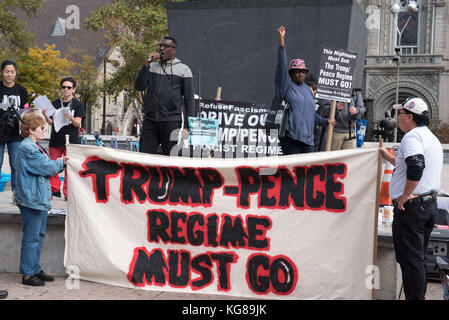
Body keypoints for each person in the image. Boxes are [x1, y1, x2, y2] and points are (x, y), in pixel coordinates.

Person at [380, 97, 443, 300]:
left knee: (411, 263)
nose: (397, 117)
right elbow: (408, 166)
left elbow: (416, 167)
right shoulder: (430, 137)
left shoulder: (412, 138)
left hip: (412, 208)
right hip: (428, 205)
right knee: (417, 260)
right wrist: (387, 156)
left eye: (400, 113)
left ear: (409, 117)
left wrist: (404, 197)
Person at [15, 111, 67, 286]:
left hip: (39, 198)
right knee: (32, 237)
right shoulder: (27, 148)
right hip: (32, 199)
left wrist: (59, 162)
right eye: (41, 128)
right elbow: (45, 167)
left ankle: (35, 268)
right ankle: (28, 274)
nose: (44, 130)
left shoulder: (35, 146)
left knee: (39, 235)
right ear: (31, 130)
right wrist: (62, 162)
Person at [275, 26, 332, 155]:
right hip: (291, 138)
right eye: (296, 71)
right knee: (293, 171)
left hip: (308, 140)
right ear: (290, 73)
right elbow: (281, 65)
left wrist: (325, 121)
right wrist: (281, 40)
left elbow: (311, 115)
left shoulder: (307, 90)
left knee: (307, 173)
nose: (300, 73)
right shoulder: (286, 86)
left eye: (303, 71)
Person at [135, 36, 195, 156]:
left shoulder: (184, 70)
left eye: (166, 46)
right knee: (144, 157)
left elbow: (189, 100)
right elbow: (139, 86)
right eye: (160, 45)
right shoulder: (151, 67)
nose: (161, 48)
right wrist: (146, 64)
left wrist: (188, 127)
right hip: (150, 120)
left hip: (171, 121)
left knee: (170, 158)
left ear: (173, 50)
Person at [42, 77, 85, 200]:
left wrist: (70, 117)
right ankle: (53, 190)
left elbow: (77, 124)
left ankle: (67, 193)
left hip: (71, 140)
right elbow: (51, 122)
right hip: (56, 138)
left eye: (69, 87)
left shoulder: (77, 104)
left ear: (73, 89)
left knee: (69, 168)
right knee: (53, 166)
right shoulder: (55, 103)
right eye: (63, 87)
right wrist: (45, 116)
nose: (66, 89)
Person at [0, 60, 29, 200]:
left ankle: (16, 193)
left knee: (16, 164)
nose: (9, 74)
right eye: (6, 71)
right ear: (2, 72)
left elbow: (25, 110)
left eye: (12, 72)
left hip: (15, 134)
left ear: (16, 72)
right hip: (0, 130)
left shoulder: (21, 91)